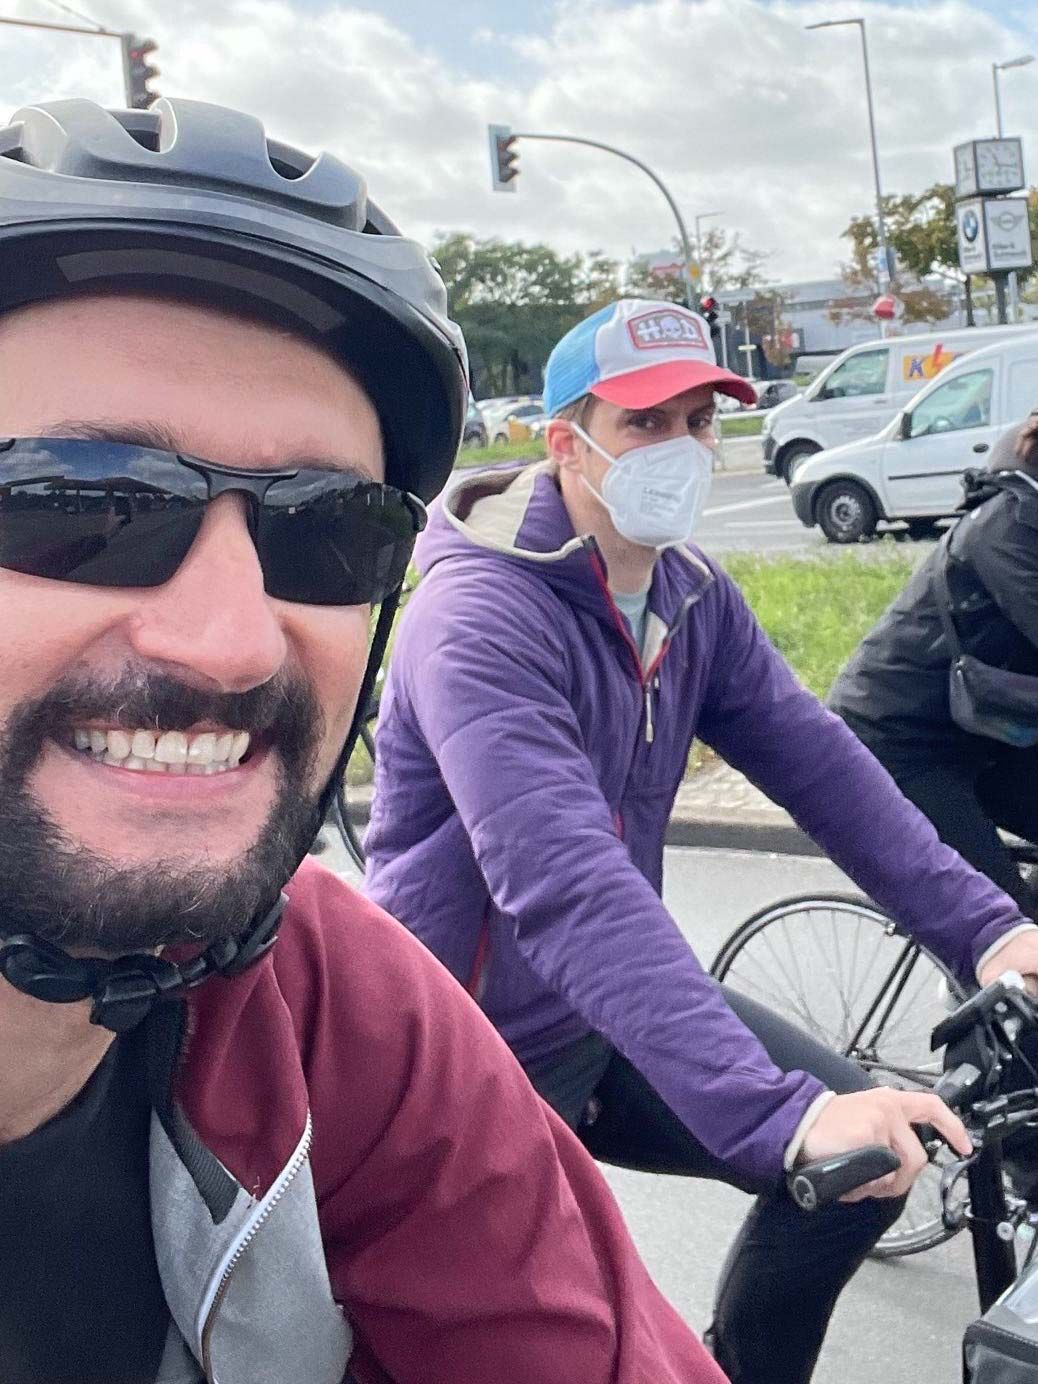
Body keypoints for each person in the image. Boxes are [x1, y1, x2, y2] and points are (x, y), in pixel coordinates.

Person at [0, 102, 726, 1384]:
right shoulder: (489, 624)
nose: (232, 642)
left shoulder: (319, 996)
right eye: (82, 504)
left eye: (329, 532)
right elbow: (560, 875)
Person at [365, 296, 1038, 1384]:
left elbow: (823, 768)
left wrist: (992, 931)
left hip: (605, 1016)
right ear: (563, 442)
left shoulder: (688, 593)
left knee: (865, 1168)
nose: (679, 448)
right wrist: (775, 1117)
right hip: (464, 1051)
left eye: (698, 420)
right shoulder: (476, 618)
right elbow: (566, 882)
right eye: (645, 424)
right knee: (541, 1348)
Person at [830, 411, 1038, 915]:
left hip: (986, 731)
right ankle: (993, 975)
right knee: (1004, 919)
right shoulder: (1005, 528)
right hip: (901, 739)